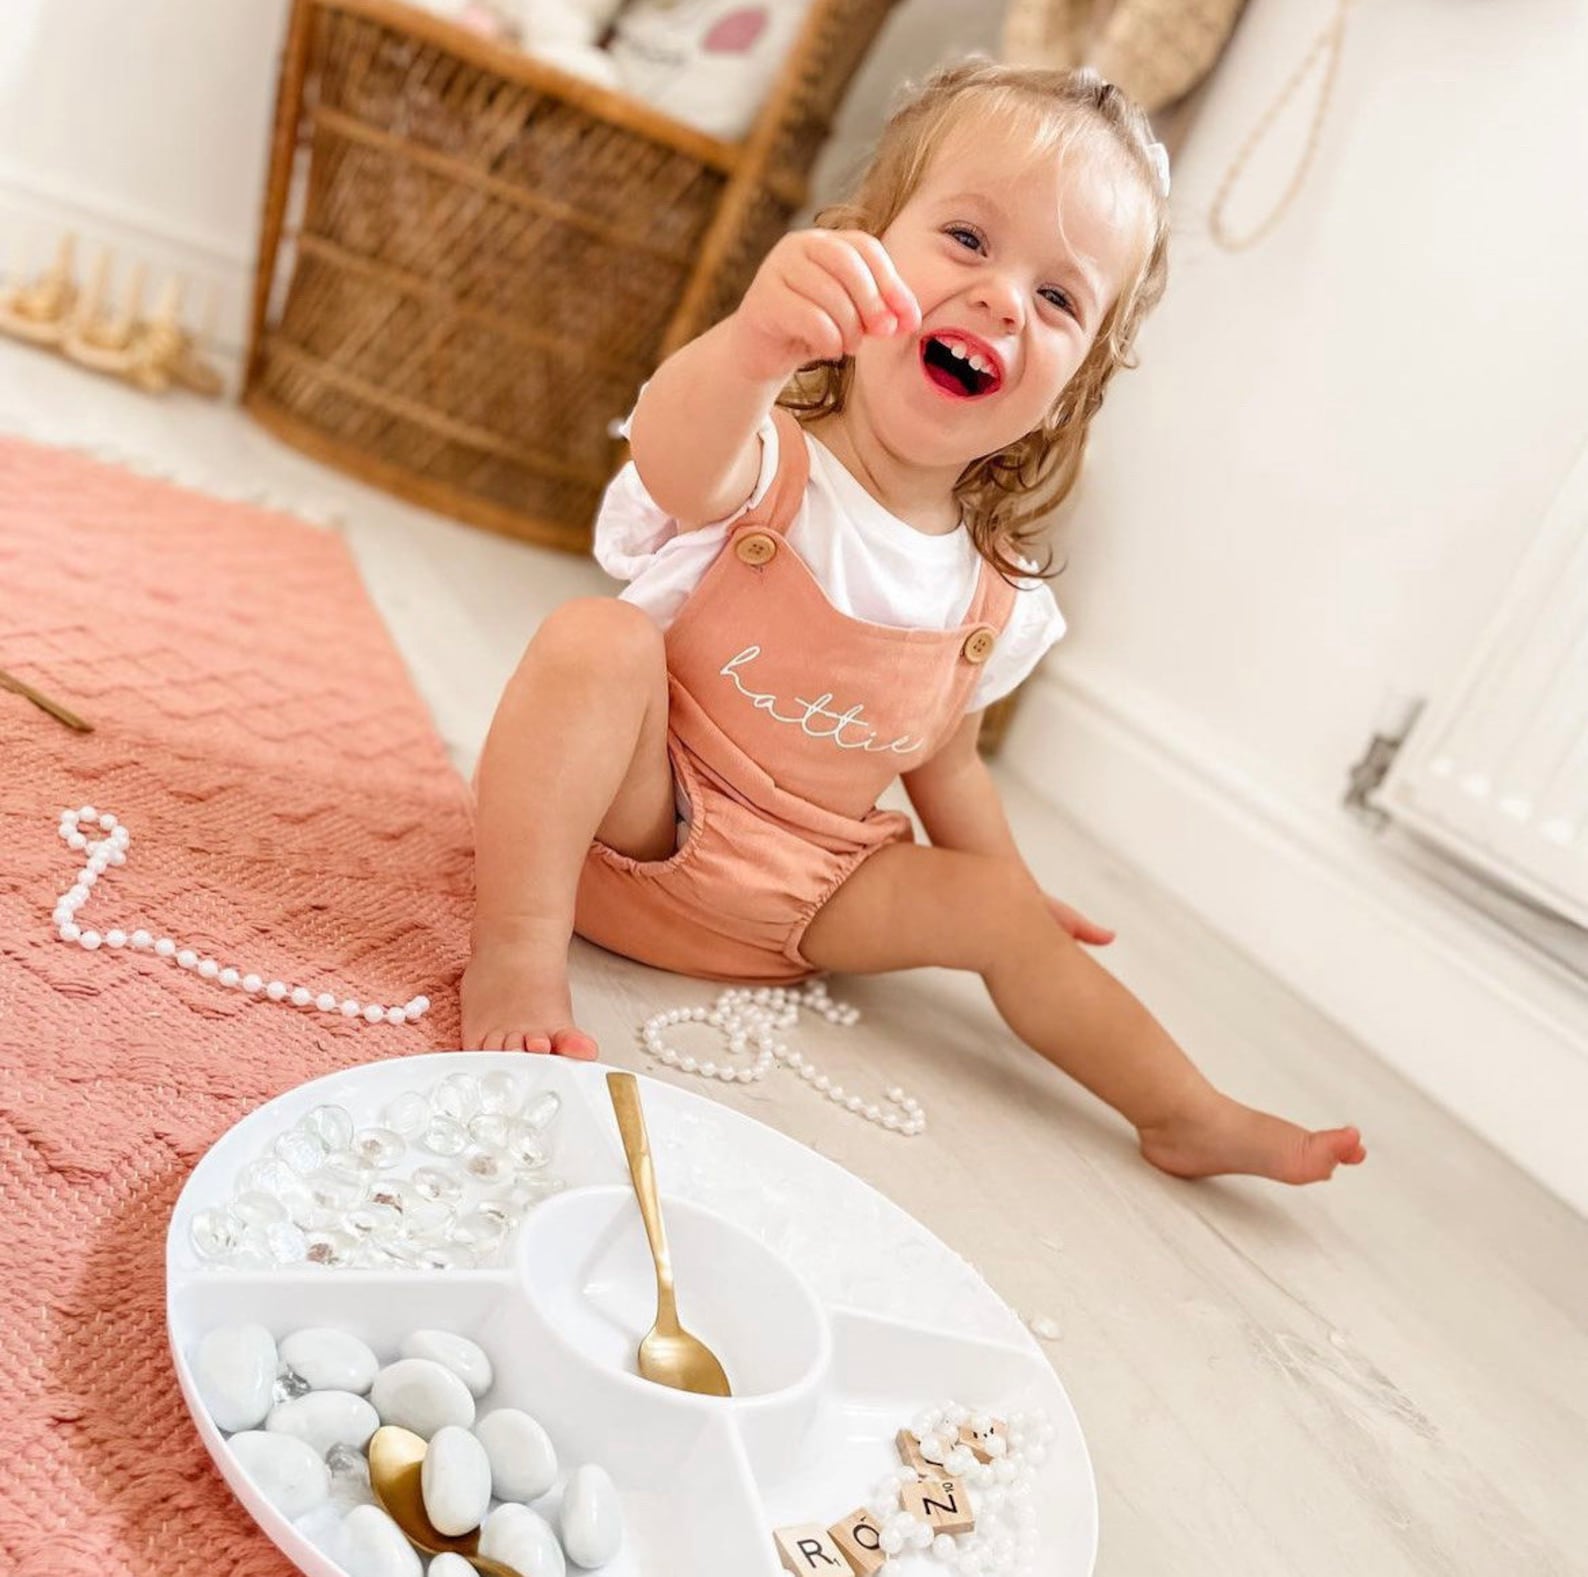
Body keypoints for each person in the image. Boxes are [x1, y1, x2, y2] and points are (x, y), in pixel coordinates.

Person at [463, 59, 1367, 1185]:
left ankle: (1185, 1109)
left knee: (994, 900)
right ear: (865, 247)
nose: (1001, 298)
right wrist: (754, 342)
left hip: (802, 909)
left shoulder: (994, 596)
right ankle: (513, 955)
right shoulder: (762, 458)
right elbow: (672, 458)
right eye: (969, 241)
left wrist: (1012, 900)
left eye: (1057, 297)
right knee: (591, 642)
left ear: (1072, 387)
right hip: (636, 831)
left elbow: (945, 762)